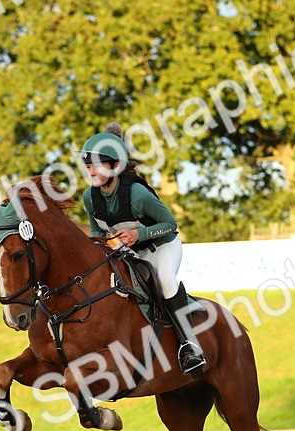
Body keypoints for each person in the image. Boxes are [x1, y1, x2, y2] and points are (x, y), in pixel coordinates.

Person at [80, 123, 205, 374]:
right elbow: (96, 231)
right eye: (89, 165)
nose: (91, 170)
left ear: (116, 166)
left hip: (162, 247)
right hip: (130, 252)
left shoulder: (138, 193)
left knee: (165, 280)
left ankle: (190, 346)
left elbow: (170, 224)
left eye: (98, 164)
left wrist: (139, 234)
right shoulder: (89, 198)